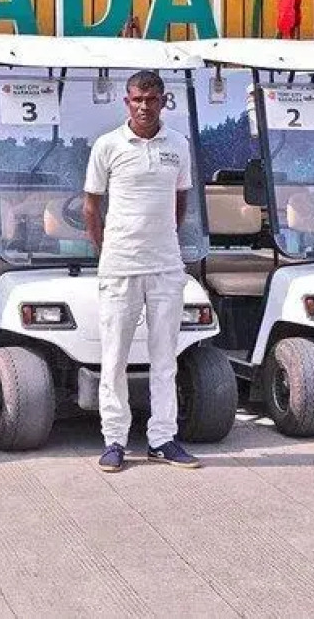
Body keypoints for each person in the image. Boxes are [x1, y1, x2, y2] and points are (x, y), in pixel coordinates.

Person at [83, 69, 198, 472]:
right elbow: (91, 206)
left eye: (151, 100)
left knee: (165, 358)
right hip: (120, 266)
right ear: (127, 102)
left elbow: (180, 201)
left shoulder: (179, 145)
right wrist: (108, 251)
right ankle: (114, 440)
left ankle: (162, 439)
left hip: (166, 265)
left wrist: (163, 238)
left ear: (164, 101)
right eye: (137, 100)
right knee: (114, 358)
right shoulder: (107, 145)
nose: (144, 107)